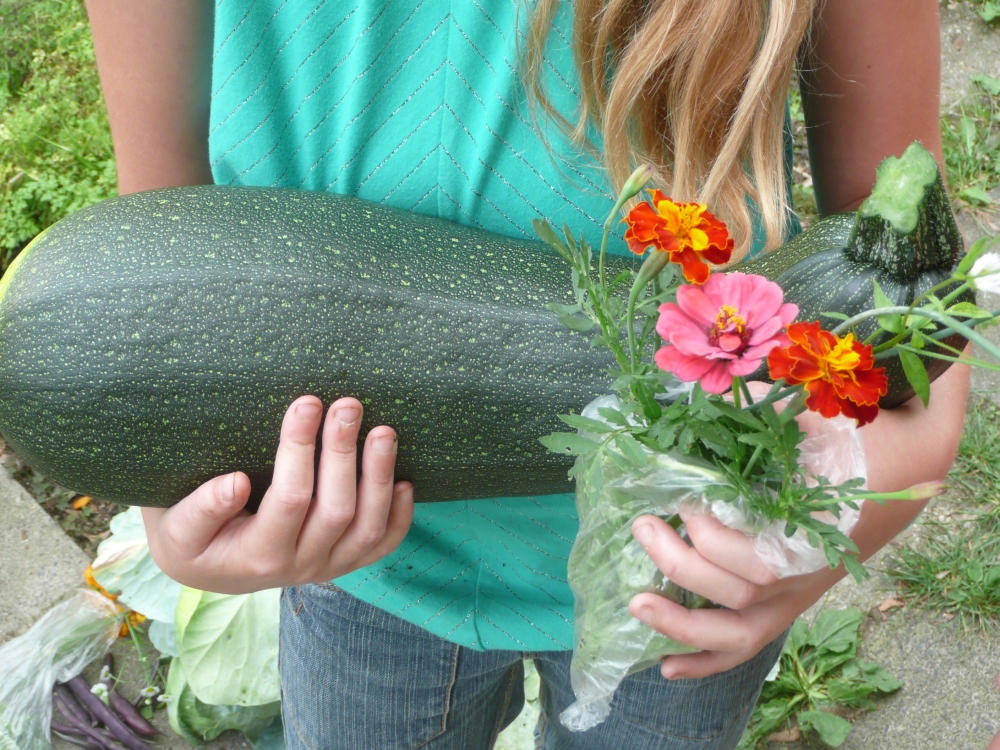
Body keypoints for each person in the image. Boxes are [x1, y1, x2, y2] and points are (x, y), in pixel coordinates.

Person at [84, 1, 966, 747]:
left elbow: (907, 252)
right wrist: (175, 503)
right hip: (354, 553)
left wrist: (852, 507)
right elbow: (163, 243)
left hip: (695, 553)